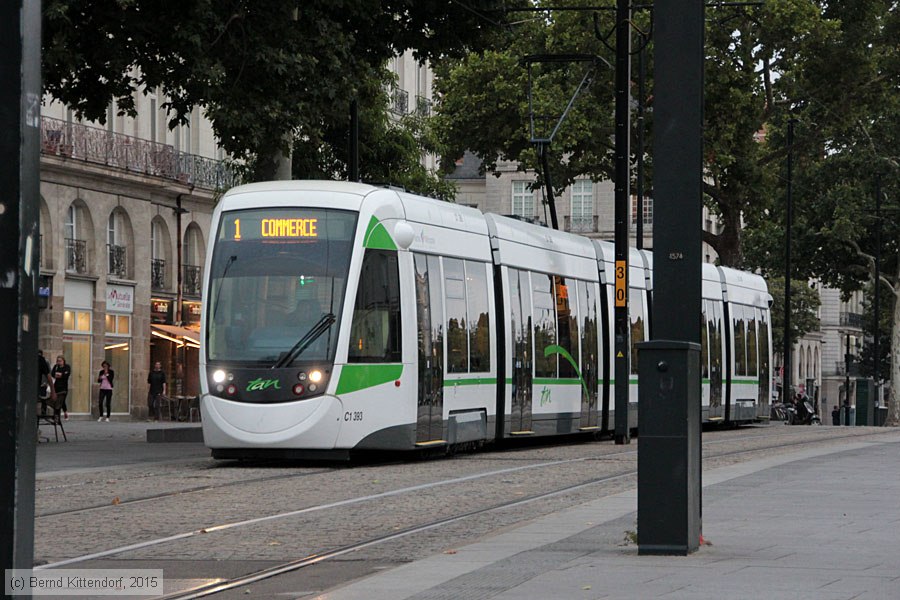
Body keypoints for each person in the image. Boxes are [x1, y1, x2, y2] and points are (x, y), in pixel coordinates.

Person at [50, 354, 71, 421]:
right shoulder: (56, 367)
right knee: (57, 402)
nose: (59, 362)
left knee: (62, 401)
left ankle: (64, 412)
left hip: (64, 387)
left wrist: (60, 375)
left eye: (60, 361)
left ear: (63, 361)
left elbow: (66, 375)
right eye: (58, 361)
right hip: (56, 387)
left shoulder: (67, 367)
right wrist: (60, 375)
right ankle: (57, 416)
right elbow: (53, 374)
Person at [37, 350, 56, 416]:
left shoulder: (44, 361)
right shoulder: (41, 360)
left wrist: (52, 390)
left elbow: (48, 374)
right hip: (39, 384)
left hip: (42, 383)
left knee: (43, 398)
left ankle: (43, 411)